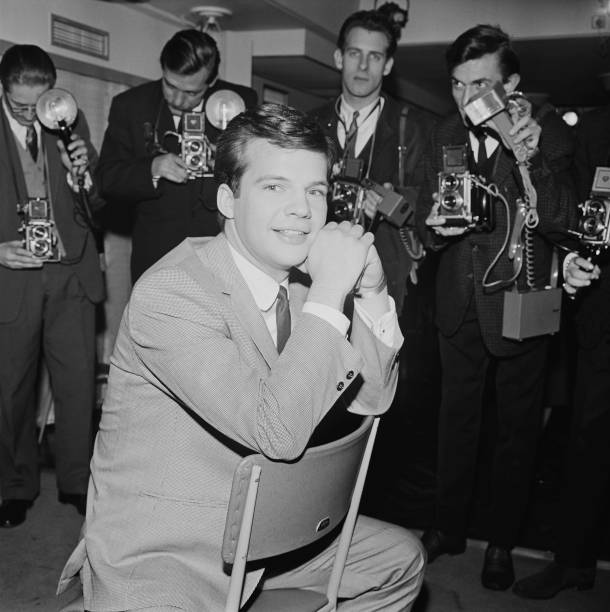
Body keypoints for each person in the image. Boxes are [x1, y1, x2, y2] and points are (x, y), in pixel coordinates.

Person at [59, 103, 425, 611]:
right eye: (275, 187)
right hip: (169, 550)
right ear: (228, 200)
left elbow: (374, 399)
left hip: (271, 530)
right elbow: (275, 432)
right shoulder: (172, 293)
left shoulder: (301, 285)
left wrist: (372, 294)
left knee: (400, 560)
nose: (303, 210)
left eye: (315, 191)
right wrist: (331, 290)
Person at [415, 25, 576, 590]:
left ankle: (502, 541)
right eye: (457, 85)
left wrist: (530, 159)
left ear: (511, 85)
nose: (466, 100)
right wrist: (432, 229)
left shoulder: (547, 134)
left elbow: (561, 220)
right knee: (454, 424)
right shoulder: (442, 133)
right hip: (457, 304)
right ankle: (447, 526)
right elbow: (422, 220)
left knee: (516, 432)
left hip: (520, 304)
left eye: (479, 84)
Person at [0, 45, 104, 526]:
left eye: (37, 105)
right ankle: (14, 487)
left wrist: (84, 175)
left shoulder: (69, 122)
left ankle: (77, 482)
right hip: (12, 276)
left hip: (71, 273)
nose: (31, 115)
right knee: (10, 389)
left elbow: (98, 207)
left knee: (79, 385)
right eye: (20, 106)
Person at [513, 105, 610, 599]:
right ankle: (574, 560)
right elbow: (573, 217)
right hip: (602, 314)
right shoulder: (594, 129)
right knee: (588, 442)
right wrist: (575, 257)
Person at [96, 29, 257, 283]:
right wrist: (152, 168)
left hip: (223, 253)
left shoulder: (239, 102)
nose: (178, 99)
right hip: (157, 255)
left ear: (211, 82)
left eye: (192, 92)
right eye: (169, 85)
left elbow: (258, 173)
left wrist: (228, 162)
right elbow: (106, 179)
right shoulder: (130, 106)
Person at [309, 7, 430, 314]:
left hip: (385, 277)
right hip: (316, 272)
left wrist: (393, 202)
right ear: (339, 58)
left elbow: (432, 200)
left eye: (374, 56)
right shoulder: (310, 123)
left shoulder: (411, 127)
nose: (363, 66)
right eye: (354, 53)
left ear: (387, 65)